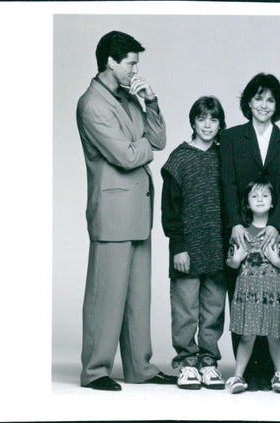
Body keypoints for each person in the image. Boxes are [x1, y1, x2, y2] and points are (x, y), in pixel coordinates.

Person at [76, 30, 175, 391]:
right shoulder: (93, 105)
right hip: (113, 213)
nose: (136, 69)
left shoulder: (130, 97)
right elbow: (128, 155)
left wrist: (151, 101)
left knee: (137, 299)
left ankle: (140, 368)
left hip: (137, 212)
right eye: (131, 62)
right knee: (106, 297)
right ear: (111, 62)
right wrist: (143, 143)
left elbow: (159, 139)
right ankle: (95, 371)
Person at [219, 73, 280, 391]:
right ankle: (246, 374)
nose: (264, 105)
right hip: (242, 227)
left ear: (277, 105)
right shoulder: (231, 137)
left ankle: (272, 372)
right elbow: (227, 183)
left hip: (275, 228)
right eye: (258, 98)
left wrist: (276, 227)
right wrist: (236, 223)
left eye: (270, 99)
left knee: (272, 301)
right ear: (249, 102)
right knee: (242, 299)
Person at [160, 96, 228, 390]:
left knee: (213, 308)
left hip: (218, 247)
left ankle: (209, 361)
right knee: (186, 308)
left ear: (220, 124)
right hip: (187, 248)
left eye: (213, 120)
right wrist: (178, 246)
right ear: (193, 122)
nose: (207, 125)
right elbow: (169, 208)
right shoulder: (179, 158)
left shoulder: (225, 157)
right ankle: (187, 363)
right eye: (202, 119)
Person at [224, 178, 280, 394]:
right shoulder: (240, 232)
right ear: (247, 202)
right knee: (247, 336)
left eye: (265, 195)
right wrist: (236, 259)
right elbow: (231, 262)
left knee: (274, 336)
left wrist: (276, 261)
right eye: (254, 196)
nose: (260, 200)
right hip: (248, 292)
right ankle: (238, 376)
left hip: (273, 291)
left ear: (273, 202)